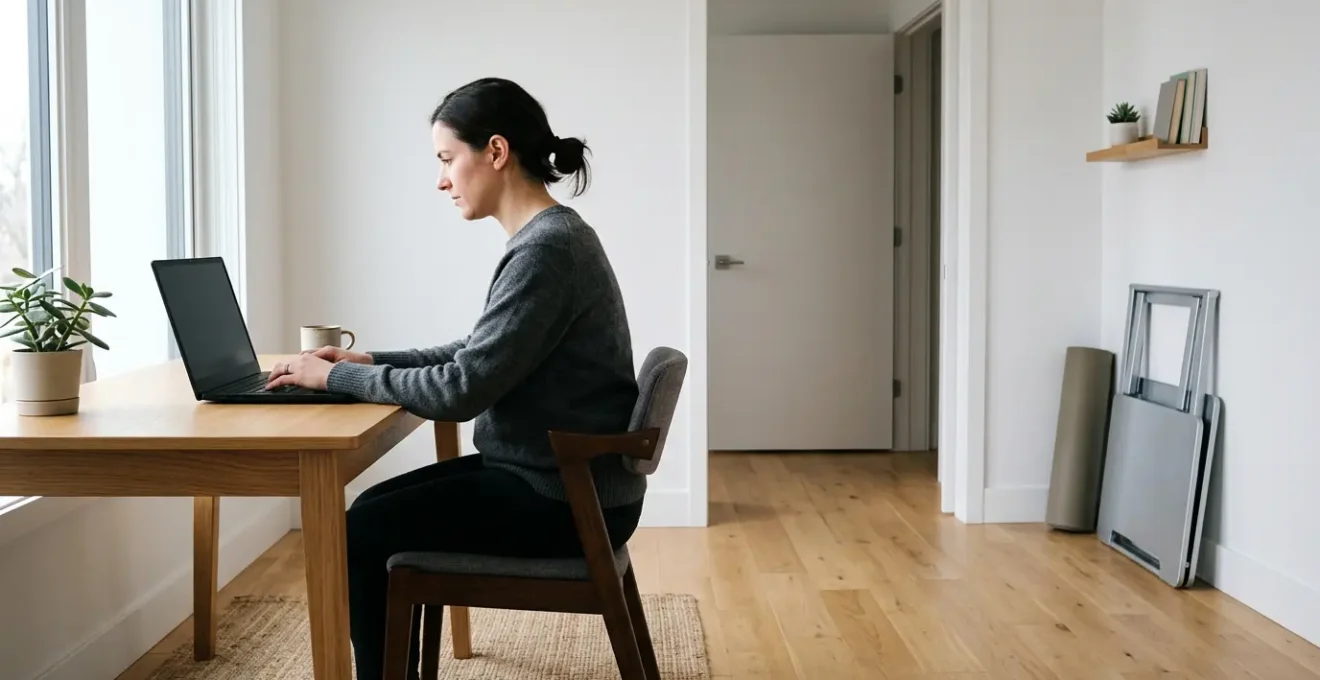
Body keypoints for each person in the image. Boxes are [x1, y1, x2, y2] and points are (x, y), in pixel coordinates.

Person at [264, 77, 645, 680]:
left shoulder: (547, 250)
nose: (442, 180)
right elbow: (479, 351)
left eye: (447, 160)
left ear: (495, 152)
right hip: (562, 479)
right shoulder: (553, 239)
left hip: (563, 499)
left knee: (362, 527)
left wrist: (335, 382)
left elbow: (462, 390)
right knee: (370, 509)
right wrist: (370, 363)